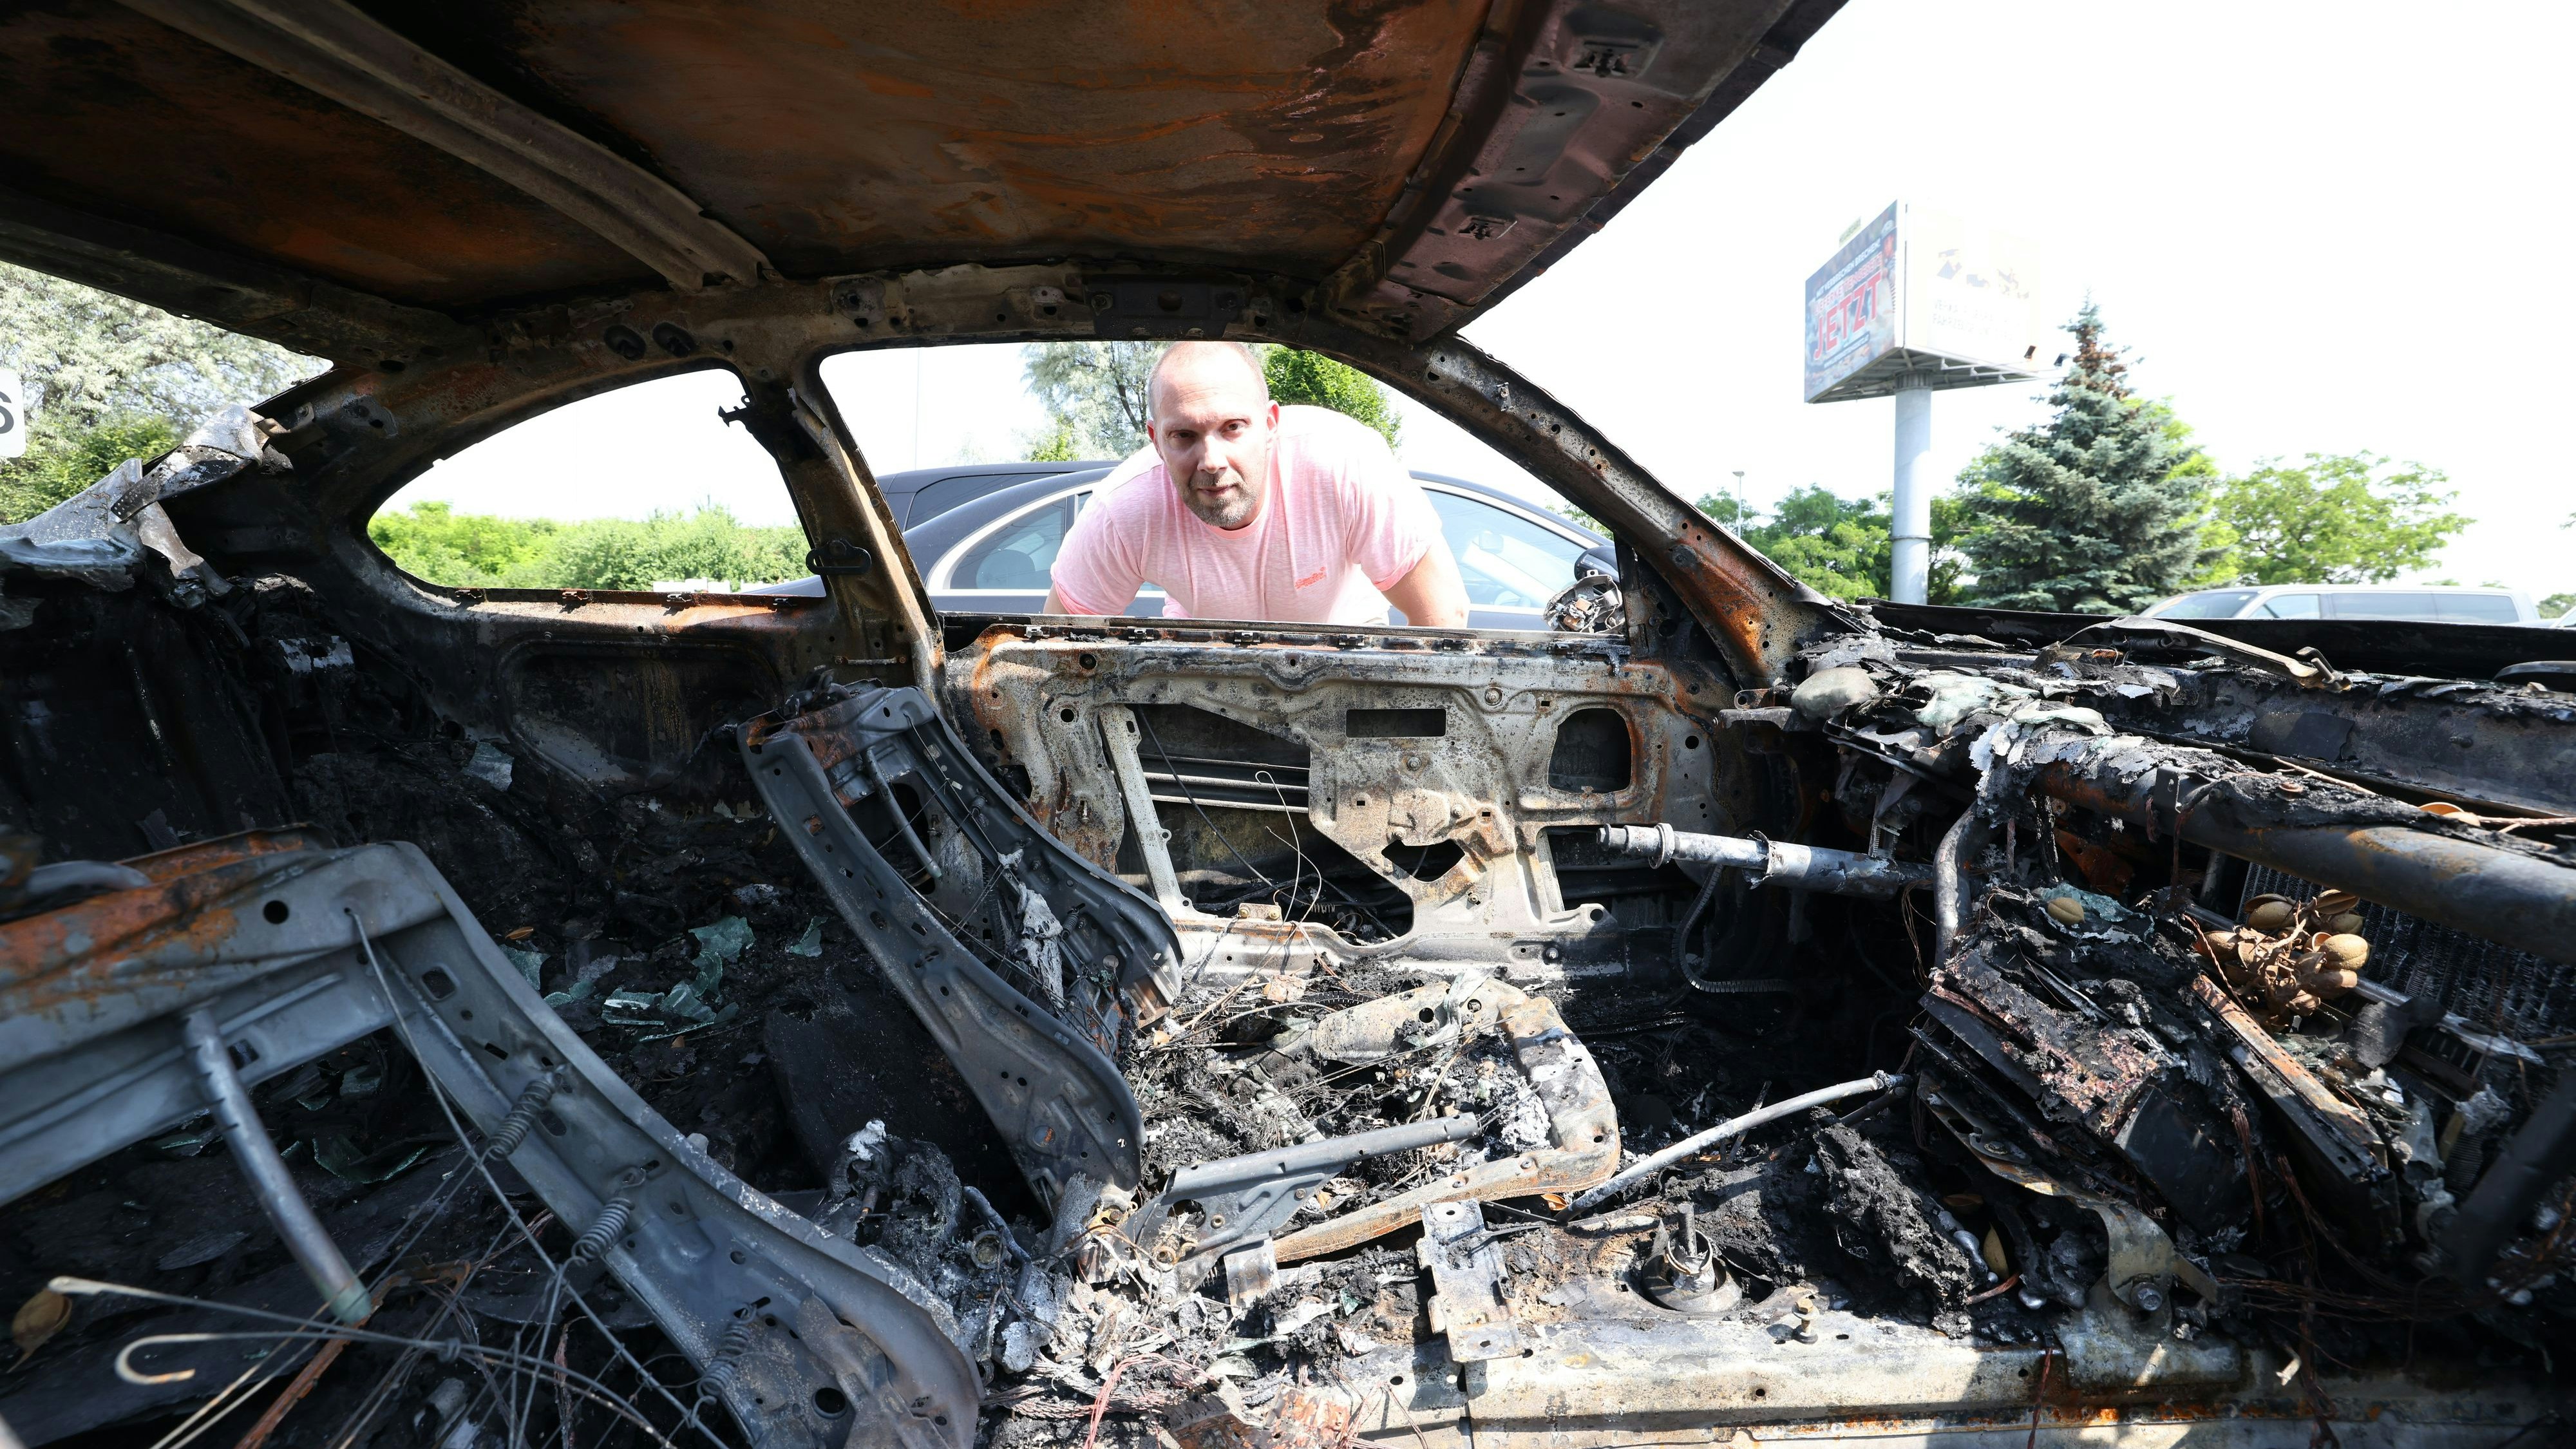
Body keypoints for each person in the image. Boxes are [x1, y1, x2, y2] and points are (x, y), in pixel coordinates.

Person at [1043, 341, 1469, 627]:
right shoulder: (1122, 509)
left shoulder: (1345, 463)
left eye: (1232, 427)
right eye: (1184, 435)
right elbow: (1057, 651)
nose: (1211, 462)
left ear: (1270, 424)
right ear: (1156, 440)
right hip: (1206, 672)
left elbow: (1442, 615)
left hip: (1346, 652)